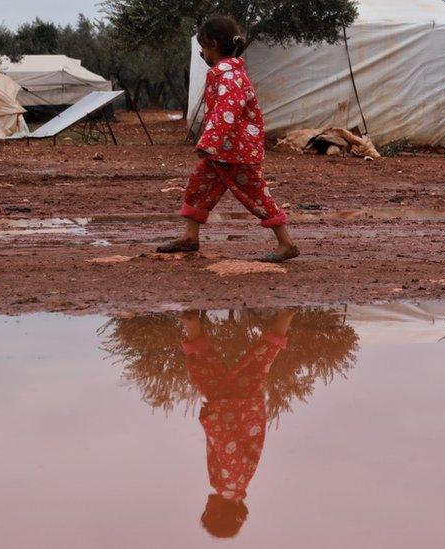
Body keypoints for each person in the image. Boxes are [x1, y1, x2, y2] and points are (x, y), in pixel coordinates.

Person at [158, 15, 299, 263]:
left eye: (203, 48)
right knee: (198, 187)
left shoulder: (229, 77)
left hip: (236, 152)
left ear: (212, 44)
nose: (203, 53)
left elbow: (227, 112)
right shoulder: (227, 74)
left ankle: (286, 243)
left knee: (256, 195)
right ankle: (190, 237)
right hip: (223, 151)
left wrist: (208, 143)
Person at [180, 309, 295, 538]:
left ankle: (284, 318)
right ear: (217, 512)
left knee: (252, 365)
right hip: (230, 411)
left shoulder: (239, 486)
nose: (206, 506)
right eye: (207, 511)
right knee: (207, 371)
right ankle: (192, 325)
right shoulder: (228, 486)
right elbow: (227, 448)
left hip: (245, 411)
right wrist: (210, 421)